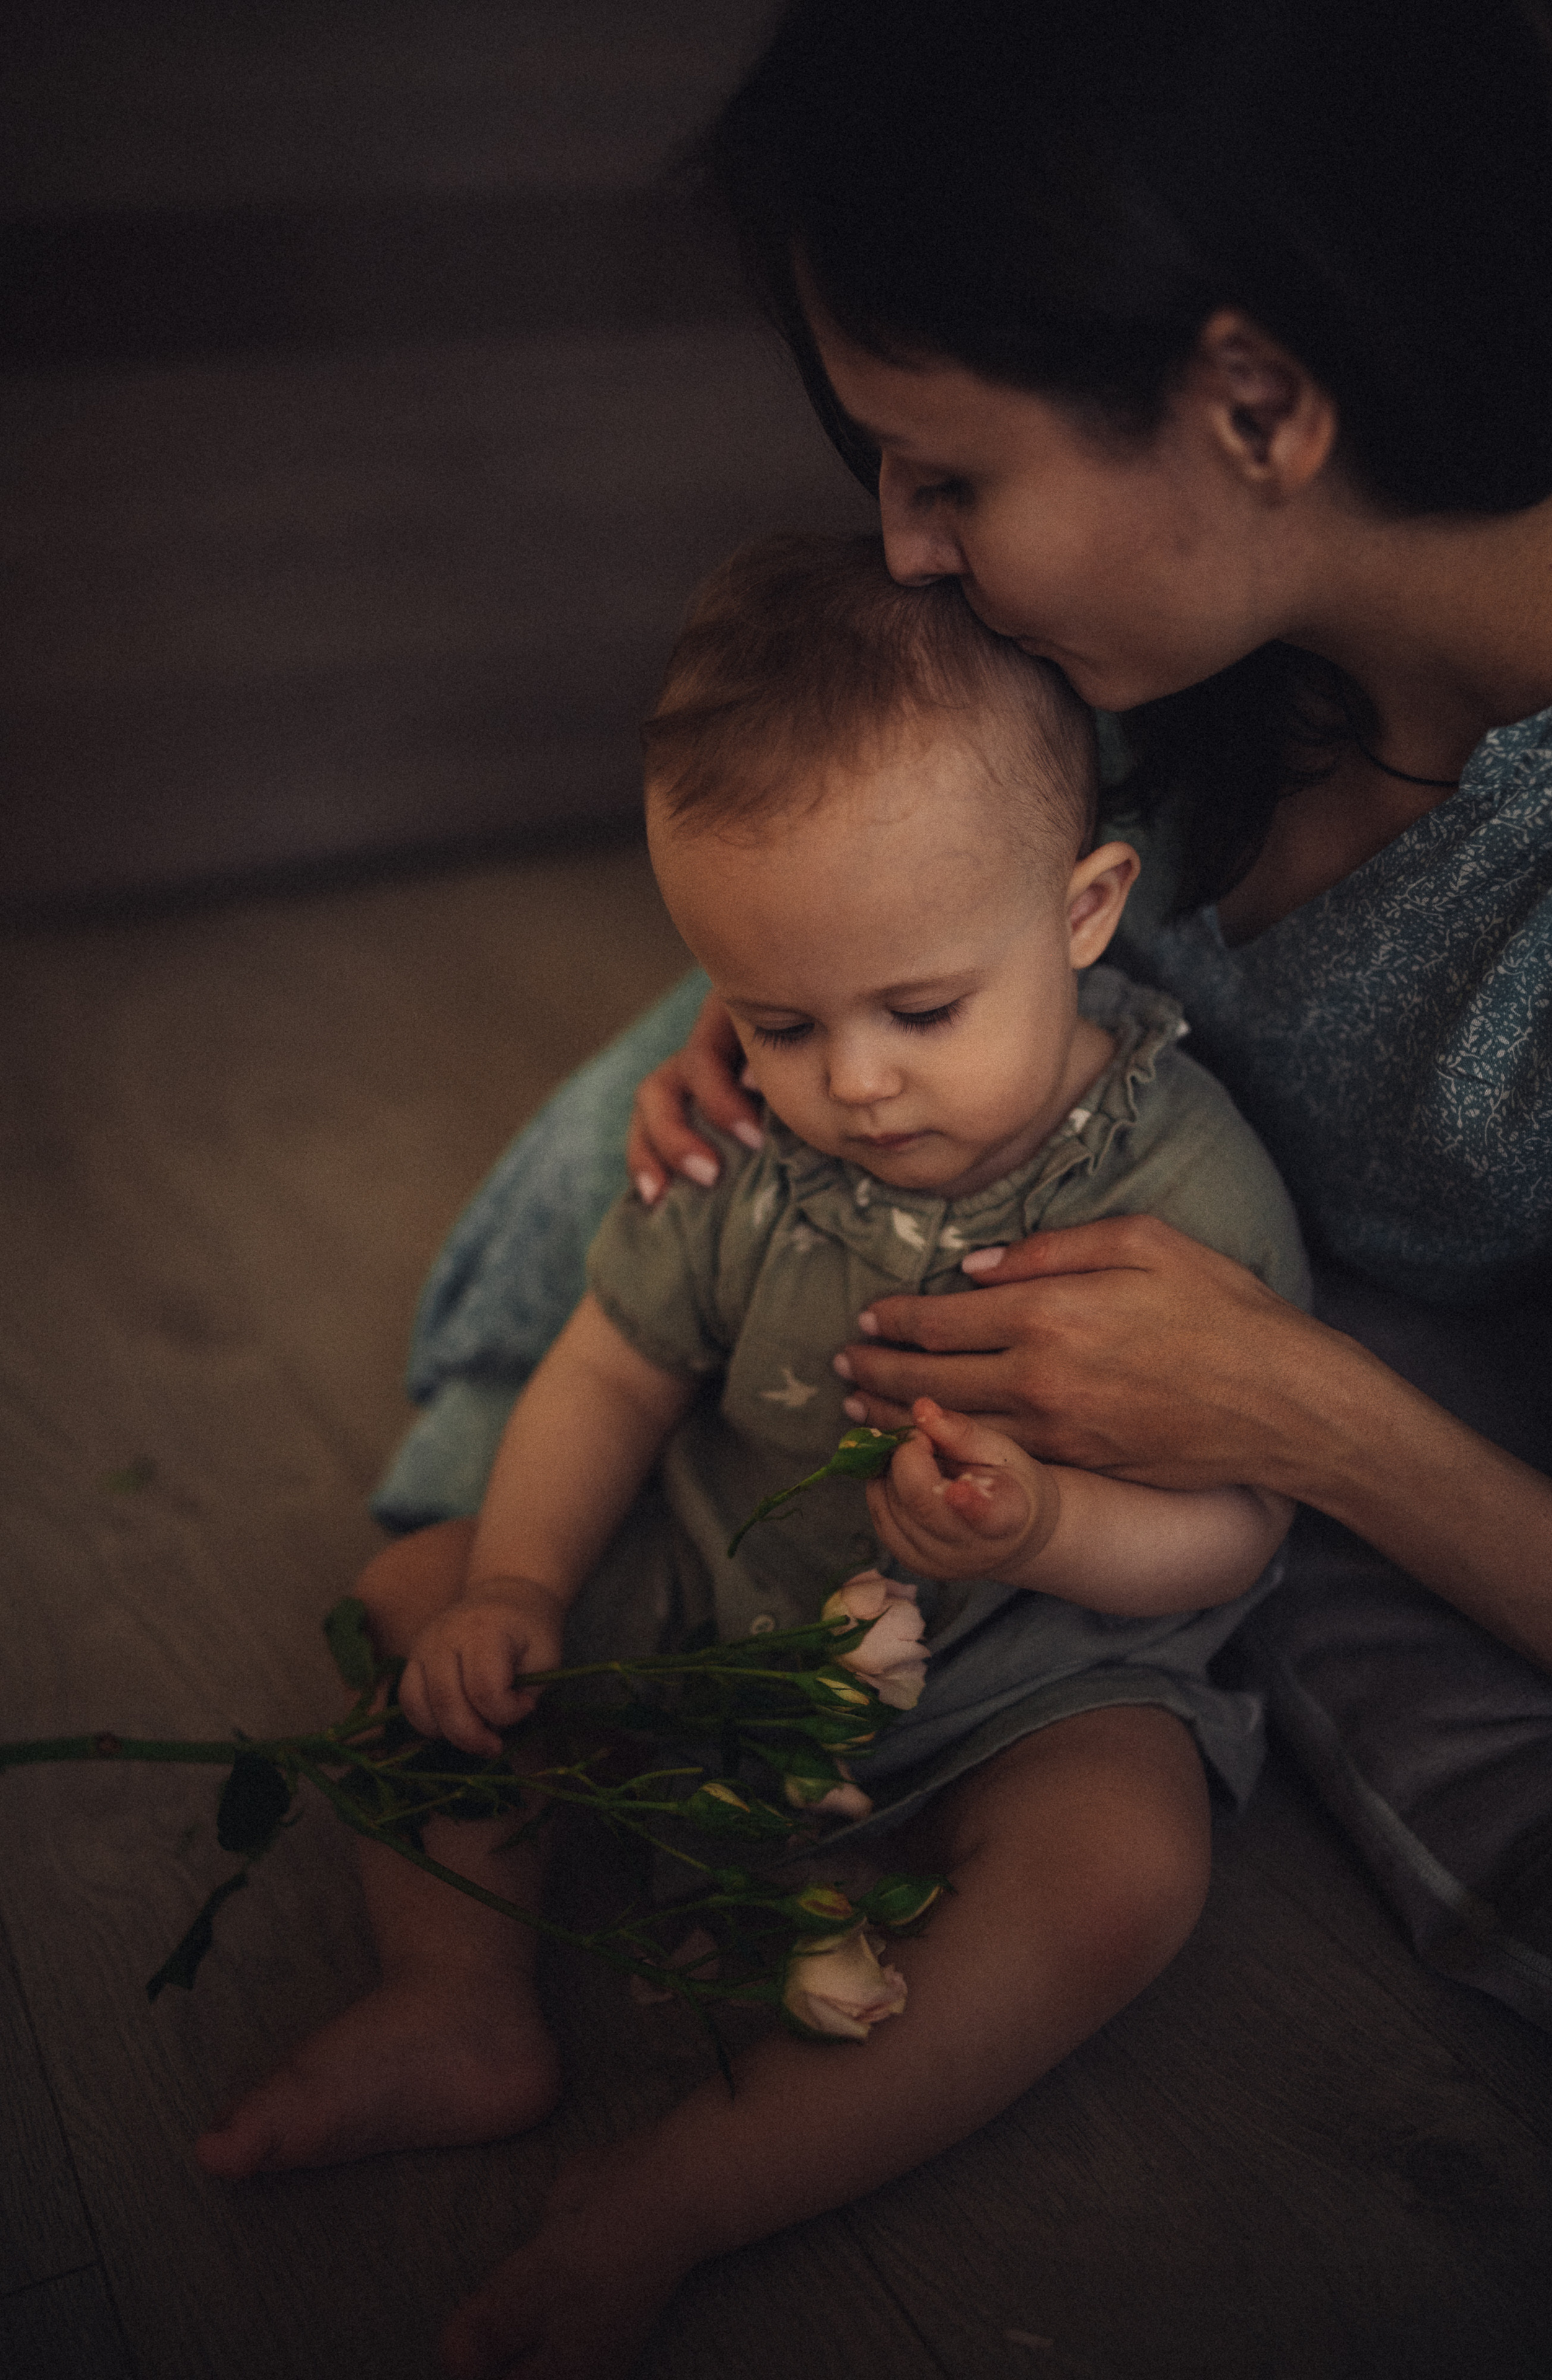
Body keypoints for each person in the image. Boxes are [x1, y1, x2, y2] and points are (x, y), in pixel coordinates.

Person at [374, 0, 1552, 2074]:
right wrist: (746, 1035)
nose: (909, 548)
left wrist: (1306, 1415)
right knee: (463, 1595)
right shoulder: (1144, 647)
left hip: (1168, 1433)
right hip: (875, 1241)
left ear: (1259, 405)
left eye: (949, 475)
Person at [197, 532, 1310, 2379]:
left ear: (1089, 904)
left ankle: (694, 2193)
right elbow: (612, 1374)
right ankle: (453, 2000)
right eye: (781, 1020)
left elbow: (1241, 1525)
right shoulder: (750, 1148)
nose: (853, 1083)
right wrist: (524, 1586)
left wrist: (1052, 1524)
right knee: (410, 1595)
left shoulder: (1182, 1181)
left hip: (1027, 1686)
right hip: (723, 1603)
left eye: (921, 1012)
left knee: (1126, 1867)